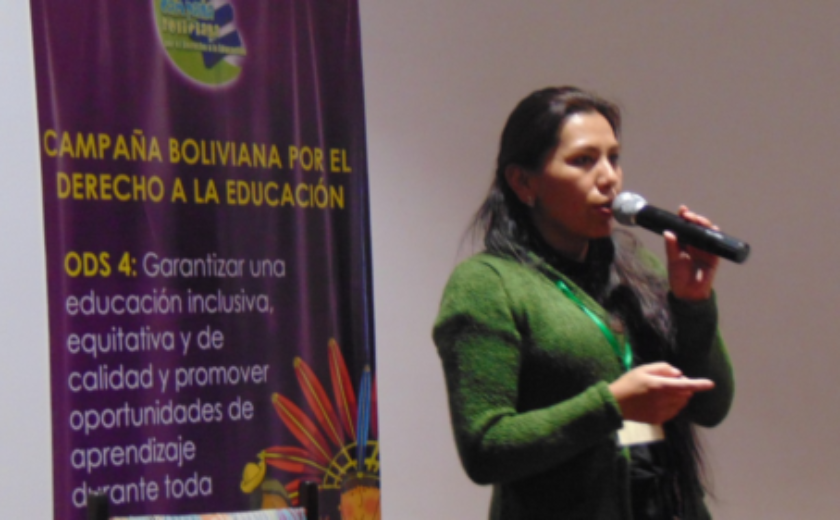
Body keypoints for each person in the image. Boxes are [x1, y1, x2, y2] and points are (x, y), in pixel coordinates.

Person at [432, 86, 734, 520]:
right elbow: (484, 449)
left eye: (614, 157)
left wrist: (692, 302)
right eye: (583, 160)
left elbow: (712, 407)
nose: (609, 178)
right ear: (523, 182)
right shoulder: (488, 285)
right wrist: (612, 407)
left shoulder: (636, 269)